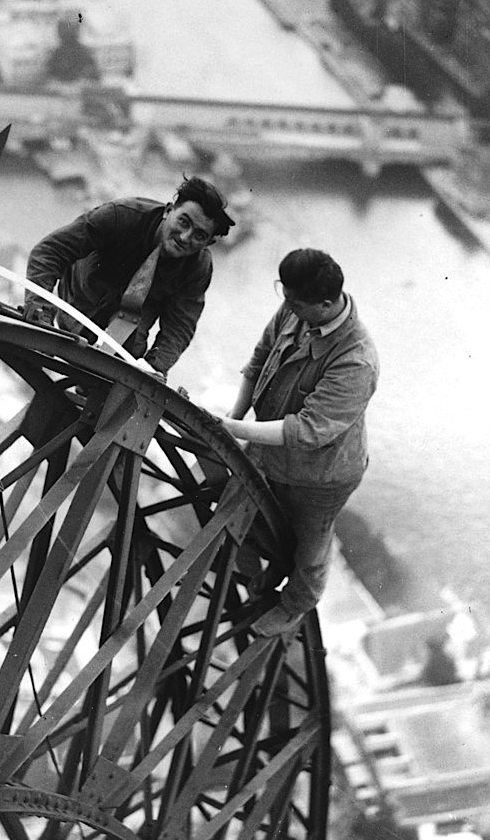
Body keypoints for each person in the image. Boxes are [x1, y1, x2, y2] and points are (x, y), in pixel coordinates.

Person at [220, 248, 379, 640]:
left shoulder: (356, 360)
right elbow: (259, 361)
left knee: (311, 543)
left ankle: (296, 603)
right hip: (270, 448)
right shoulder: (297, 308)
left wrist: (230, 429)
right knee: (263, 515)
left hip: (322, 474)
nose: (286, 306)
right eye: (285, 296)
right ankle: (274, 568)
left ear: (326, 305)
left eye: (295, 301)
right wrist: (236, 418)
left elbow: (307, 432)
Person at [22, 176, 233, 376]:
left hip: (131, 330)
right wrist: (41, 312)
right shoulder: (121, 216)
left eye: (199, 236)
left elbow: (180, 326)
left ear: (209, 243)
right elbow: (50, 252)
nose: (185, 237)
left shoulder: (199, 267)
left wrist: (153, 367)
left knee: (114, 382)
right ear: (169, 211)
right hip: (80, 303)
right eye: (183, 223)